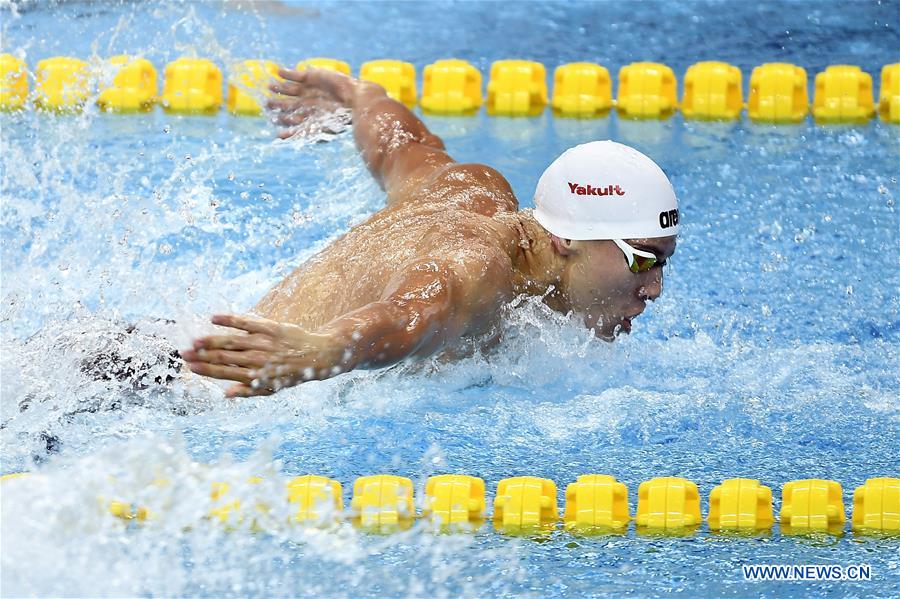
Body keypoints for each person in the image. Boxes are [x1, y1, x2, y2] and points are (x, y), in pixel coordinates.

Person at [180, 67, 680, 397]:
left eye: (663, 262)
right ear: (567, 239)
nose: (654, 288)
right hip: (204, 383)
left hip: (199, 349)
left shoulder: (474, 189)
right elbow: (410, 314)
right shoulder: (480, 268)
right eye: (642, 258)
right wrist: (326, 350)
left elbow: (404, 146)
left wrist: (363, 96)